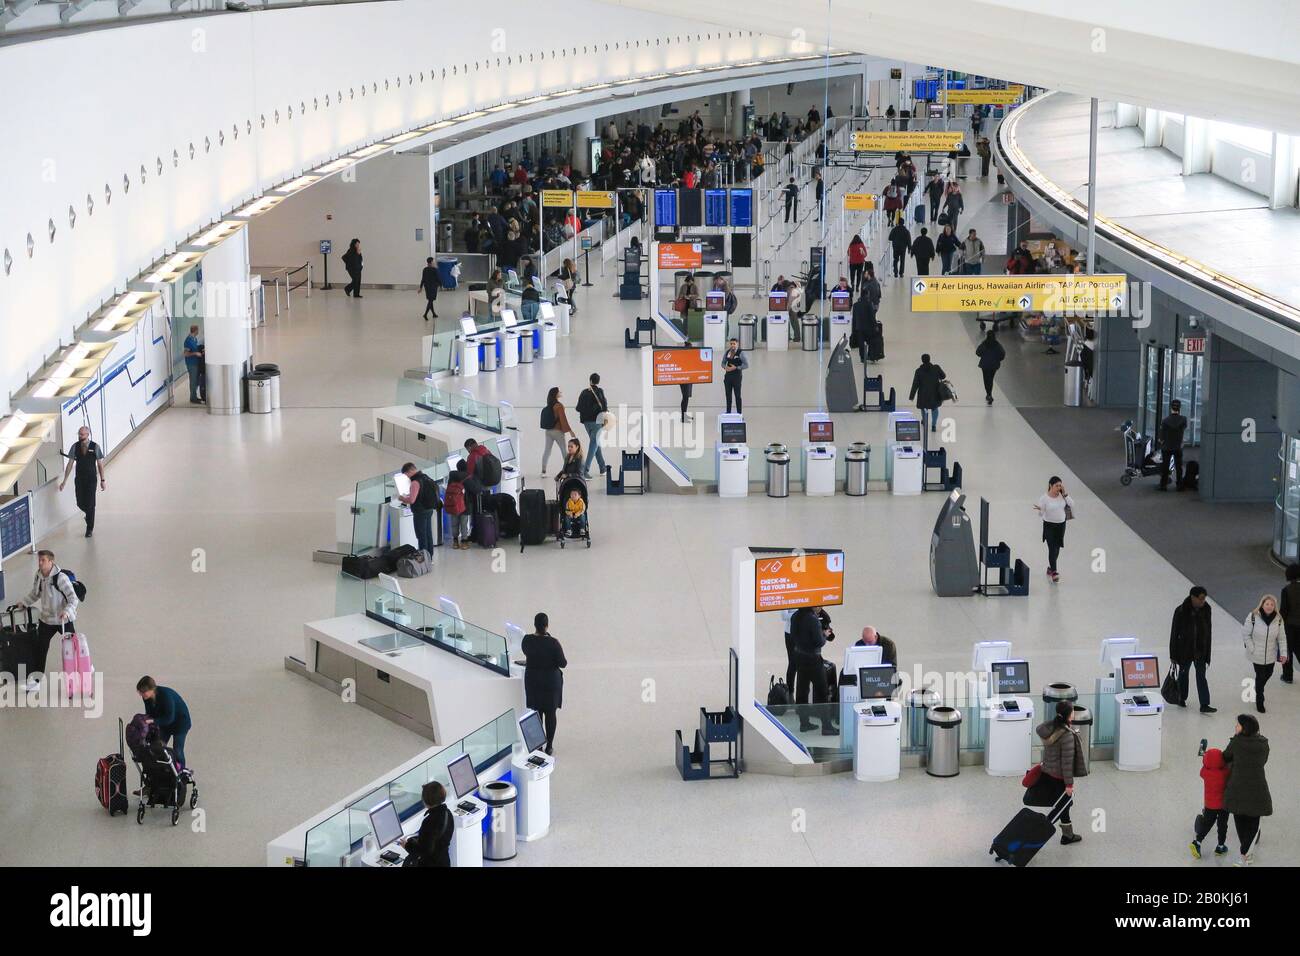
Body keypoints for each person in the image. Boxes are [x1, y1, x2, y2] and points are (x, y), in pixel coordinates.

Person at [17, 550, 79, 691]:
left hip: (63, 620)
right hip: (46, 621)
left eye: (43, 560)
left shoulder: (61, 578)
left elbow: (73, 598)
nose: (40, 563)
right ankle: (37, 681)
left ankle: (85, 667)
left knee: (74, 648)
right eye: (39, 560)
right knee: (40, 649)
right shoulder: (38, 576)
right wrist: (24, 602)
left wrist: (67, 612)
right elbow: (36, 593)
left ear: (51, 561)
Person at [1222, 714, 1271, 865]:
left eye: (1238, 725)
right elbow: (1263, 761)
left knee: (1240, 818)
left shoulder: (1236, 743)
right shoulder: (1263, 744)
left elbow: (1225, 756)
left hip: (1237, 788)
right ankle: (1246, 853)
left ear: (1244, 728)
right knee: (1253, 822)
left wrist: (1234, 740)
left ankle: (1244, 854)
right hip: (1258, 788)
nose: (1235, 727)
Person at [1034, 700, 1084, 846]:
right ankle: (1036, 834)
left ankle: (1067, 835)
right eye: (1072, 711)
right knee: (1062, 805)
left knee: (1064, 805)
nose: (1074, 713)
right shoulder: (1067, 735)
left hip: (1049, 772)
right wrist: (1069, 784)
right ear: (1069, 715)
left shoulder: (1051, 729)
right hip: (1059, 777)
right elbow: (1066, 764)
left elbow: (1039, 727)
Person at [522, 612, 566, 754]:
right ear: (547, 626)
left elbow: (526, 651)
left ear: (534, 625)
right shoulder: (553, 643)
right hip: (550, 684)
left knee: (537, 714)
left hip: (534, 683)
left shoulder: (527, 640)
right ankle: (549, 746)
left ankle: (538, 745)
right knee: (550, 714)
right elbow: (563, 663)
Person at [790, 606, 836, 735]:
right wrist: (825, 635)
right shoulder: (813, 619)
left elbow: (792, 635)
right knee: (822, 692)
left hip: (799, 656)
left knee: (802, 691)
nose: (821, 609)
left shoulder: (795, 616)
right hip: (813, 659)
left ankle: (804, 723)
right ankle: (827, 726)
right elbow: (819, 642)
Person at [1169, 586, 1216, 713]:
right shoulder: (1181, 611)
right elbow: (1174, 633)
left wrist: (1207, 653)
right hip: (1185, 650)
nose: (1203, 601)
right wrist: (1173, 654)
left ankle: (1204, 704)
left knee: (1201, 676)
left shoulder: (1207, 609)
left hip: (1200, 650)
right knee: (1183, 675)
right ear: (1193, 597)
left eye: (1204, 598)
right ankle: (1181, 697)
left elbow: (1208, 632)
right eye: (1201, 599)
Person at [1242, 595, 1287, 714]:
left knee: (1269, 673)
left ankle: (1258, 687)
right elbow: (1246, 635)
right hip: (1257, 655)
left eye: (1272, 605)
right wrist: (1253, 648)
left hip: (1271, 655)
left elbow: (1282, 639)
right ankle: (1260, 700)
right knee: (1260, 676)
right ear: (1262, 604)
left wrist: (1283, 654)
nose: (1269, 606)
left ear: (1275, 606)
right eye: (1267, 604)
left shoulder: (1279, 620)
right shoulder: (1253, 616)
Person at [59, 426, 105, 538]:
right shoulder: (75, 447)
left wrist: (102, 480)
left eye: (82, 434)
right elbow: (70, 464)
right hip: (79, 479)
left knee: (90, 504)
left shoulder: (95, 447)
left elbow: (99, 464)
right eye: (79, 434)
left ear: (88, 435)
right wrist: (64, 481)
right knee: (80, 502)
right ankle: (89, 515)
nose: (80, 436)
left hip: (91, 479)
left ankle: (89, 529)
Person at [136, 676, 192, 768]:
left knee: (178, 750)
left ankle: (181, 773)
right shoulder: (146, 697)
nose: (141, 695)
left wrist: (153, 721)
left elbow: (169, 718)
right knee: (158, 748)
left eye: (143, 692)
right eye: (140, 692)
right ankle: (163, 772)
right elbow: (149, 712)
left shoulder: (165, 695)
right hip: (164, 723)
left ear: (152, 689)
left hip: (180, 723)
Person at [1190, 745, 1231, 860]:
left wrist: (1205, 757)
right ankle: (1220, 846)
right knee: (1222, 825)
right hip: (1223, 805)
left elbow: (1204, 765)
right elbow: (1228, 767)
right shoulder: (1225, 772)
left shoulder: (1205, 772)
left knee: (1207, 824)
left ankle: (1197, 842)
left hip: (1209, 805)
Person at [401, 781, 453, 867]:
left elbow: (425, 851)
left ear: (426, 801)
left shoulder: (430, 821)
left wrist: (407, 845)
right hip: (444, 861)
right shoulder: (448, 813)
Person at [1034, 476, 1075, 583]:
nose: (1058, 487)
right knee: (1052, 548)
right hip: (1049, 526)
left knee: (1057, 548)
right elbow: (1041, 514)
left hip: (1061, 526)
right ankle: (1055, 572)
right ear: (1050, 486)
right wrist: (1041, 510)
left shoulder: (1062, 496)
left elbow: (1072, 504)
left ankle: (1051, 568)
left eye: (1060, 485)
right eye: (1056, 485)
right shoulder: (1044, 498)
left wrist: (1065, 494)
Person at [398, 462, 441, 554]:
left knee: (421, 535)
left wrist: (402, 498)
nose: (407, 477)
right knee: (428, 534)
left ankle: (423, 558)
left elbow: (412, 500)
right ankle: (430, 557)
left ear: (410, 471)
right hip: (429, 509)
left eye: (406, 474)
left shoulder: (415, 482)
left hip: (420, 512)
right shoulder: (425, 477)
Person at [575, 373, 610, 479]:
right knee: (594, 444)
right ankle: (584, 471)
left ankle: (602, 467)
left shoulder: (584, 392)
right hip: (597, 422)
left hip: (586, 422)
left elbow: (578, 408)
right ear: (598, 382)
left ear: (590, 380)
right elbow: (604, 406)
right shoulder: (600, 392)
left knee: (596, 443)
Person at [539, 386, 574, 476]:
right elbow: (563, 419)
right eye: (559, 392)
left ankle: (543, 471)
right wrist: (570, 431)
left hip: (548, 431)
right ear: (556, 394)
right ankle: (567, 470)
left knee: (547, 451)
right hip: (558, 432)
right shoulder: (559, 406)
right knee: (564, 451)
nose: (560, 392)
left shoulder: (549, 405)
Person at [908, 353, 946, 433]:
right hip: (935, 393)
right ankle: (933, 425)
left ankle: (924, 421)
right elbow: (943, 376)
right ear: (929, 359)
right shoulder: (936, 368)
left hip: (923, 394)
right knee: (934, 408)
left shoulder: (918, 371)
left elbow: (915, 384)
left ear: (922, 361)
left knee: (923, 408)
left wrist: (912, 396)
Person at [1158, 399, 1188, 492]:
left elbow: (1161, 437)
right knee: (1179, 466)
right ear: (1179, 408)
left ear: (1171, 407)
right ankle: (1179, 485)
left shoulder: (1165, 421)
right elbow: (1184, 428)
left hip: (1166, 447)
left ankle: (1163, 485)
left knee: (1165, 467)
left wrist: (1162, 441)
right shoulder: (1183, 420)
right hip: (1177, 447)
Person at [975, 329, 1005, 405]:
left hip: (985, 365)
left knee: (986, 379)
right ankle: (989, 394)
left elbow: (978, 352)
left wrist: (983, 356)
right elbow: (1002, 354)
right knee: (990, 379)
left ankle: (989, 394)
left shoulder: (984, 344)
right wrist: (998, 359)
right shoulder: (997, 344)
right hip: (994, 365)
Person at [1281, 564, 1300, 683]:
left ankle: (1288, 676)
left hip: (1290, 626)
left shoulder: (1286, 590)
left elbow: (1284, 610)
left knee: (1286, 650)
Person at [443, 464, 469, 549]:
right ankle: (464, 542)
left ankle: (455, 542)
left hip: (453, 504)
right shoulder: (467, 476)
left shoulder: (452, 476)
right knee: (464, 523)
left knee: (454, 523)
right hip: (464, 504)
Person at [721, 338, 748, 415]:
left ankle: (739, 413)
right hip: (728, 377)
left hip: (737, 377)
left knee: (737, 395)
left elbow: (746, 365)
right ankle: (728, 412)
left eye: (734, 344)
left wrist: (736, 367)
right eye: (731, 344)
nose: (732, 345)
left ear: (737, 344)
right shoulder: (727, 352)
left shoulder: (741, 353)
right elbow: (723, 363)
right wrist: (725, 367)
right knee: (728, 395)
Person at [182, 324, 205, 404]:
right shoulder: (188, 341)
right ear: (195, 331)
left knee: (196, 380)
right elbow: (185, 354)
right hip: (191, 364)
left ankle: (194, 396)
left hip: (196, 363)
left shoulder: (194, 339)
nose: (198, 332)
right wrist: (195, 353)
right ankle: (193, 398)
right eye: (198, 330)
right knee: (193, 380)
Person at [417, 256, 439, 321]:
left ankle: (433, 314)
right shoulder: (435, 270)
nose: (434, 262)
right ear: (431, 262)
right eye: (433, 261)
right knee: (430, 300)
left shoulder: (425, 269)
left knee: (430, 300)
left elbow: (423, 279)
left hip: (427, 287)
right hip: (433, 287)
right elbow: (438, 278)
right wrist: (441, 284)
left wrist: (420, 287)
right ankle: (425, 314)